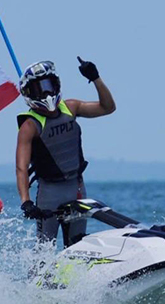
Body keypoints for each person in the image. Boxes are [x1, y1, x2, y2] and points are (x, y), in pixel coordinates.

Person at [16, 57, 116, 247]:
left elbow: (108, 107)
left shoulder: (71, 107)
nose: (46, 93)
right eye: (39, 89)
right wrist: (26, 201)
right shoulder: (29, 126)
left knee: (76, 246)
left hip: (76, 188)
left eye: (48, 86)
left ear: (56, 85)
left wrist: (95, 78)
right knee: (45, 248)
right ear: (29, 94)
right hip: (49, 194)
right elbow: (21, 168)